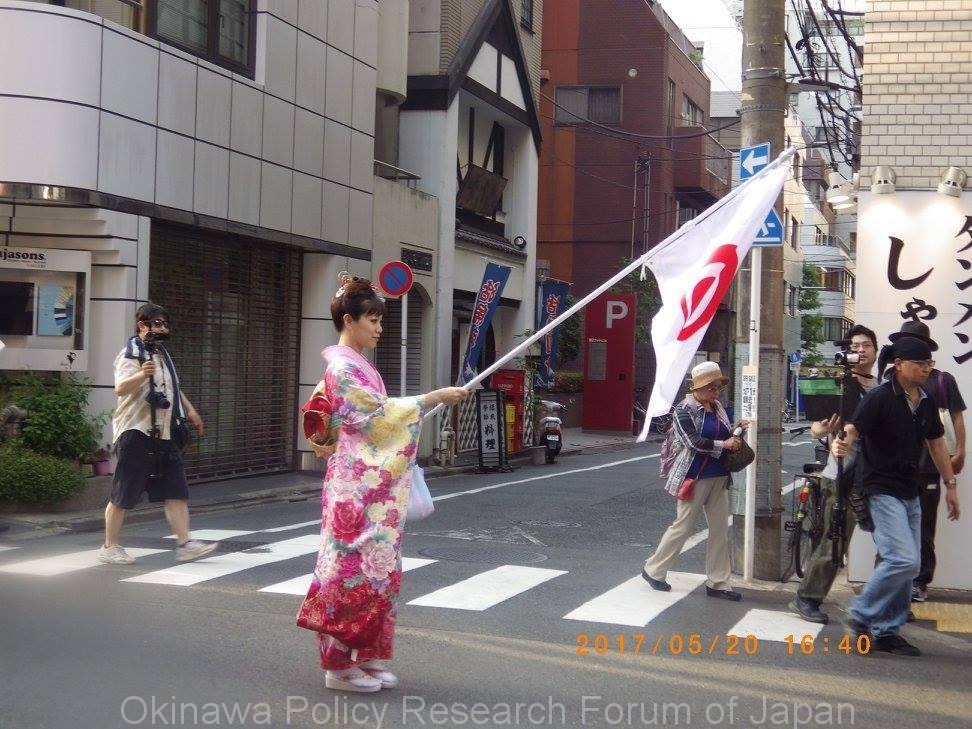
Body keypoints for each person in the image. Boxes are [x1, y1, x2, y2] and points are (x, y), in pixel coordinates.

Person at [298, 276, 469, 693]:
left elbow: (369, 418)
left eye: (379, 320)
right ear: (349, 320)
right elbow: (376, 418)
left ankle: (366, 652)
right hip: (355, 491)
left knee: (379, 569)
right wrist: (431, 399)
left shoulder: (356, 365)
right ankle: (338, 665)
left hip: (367, 487)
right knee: (350, 569)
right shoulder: (343, 368)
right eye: (372, 320)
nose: (378, 328)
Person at [834, 335, 961, 656]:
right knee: (901, 558)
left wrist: (950, 485)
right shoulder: (880, 397)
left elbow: (936, 444)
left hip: (909, 489)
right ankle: (861, 613)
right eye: (920, 363)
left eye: (929, 363)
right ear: (900, 364)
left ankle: (887, 631)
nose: (926, 369)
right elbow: (854, 428)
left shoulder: (926, 401)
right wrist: (842, 443)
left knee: (911, 564)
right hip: (879, 488)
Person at [99, 304, 214, 565]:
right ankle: (109, 546)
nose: (163, 328)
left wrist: (190, 410)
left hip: (164, 431)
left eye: (165, 323)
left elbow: (172, 387)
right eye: (158, 323)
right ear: (143, 325)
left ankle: (185, 544)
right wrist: (142, 374)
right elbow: (120, 388)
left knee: (176, 489)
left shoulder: (161, 354)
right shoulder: (130, 354)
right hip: (136, 430)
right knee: (123, 492)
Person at [790, 324, 877, 624]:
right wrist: (824, 430)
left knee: (891, 540)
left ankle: (889, 598)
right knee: (834, 541)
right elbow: (817, 427)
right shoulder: (838, 383)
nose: (860, 351)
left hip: (876, 475)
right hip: (842, 476)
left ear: (876, 350)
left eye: (866, 345)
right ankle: (807, 598)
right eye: (855, 346)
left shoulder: (881, 388)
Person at [642, 361, 748, 601]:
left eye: (718, 387)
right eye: (712, 387)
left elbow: (724, 434)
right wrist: (724, 444)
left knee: (720, 529)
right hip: (694, 476)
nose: (716, 392)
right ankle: (653, 569)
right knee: (683, 526)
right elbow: (693, 442)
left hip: (719, 475)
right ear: (698, 387)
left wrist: (737, 431)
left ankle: (718, 582)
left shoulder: (717, 407)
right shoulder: (683, 410)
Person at [885, 321, 966, 603]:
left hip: (928, 468)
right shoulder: (889, 381)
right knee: (892, 530)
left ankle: (920, 581)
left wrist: (961, 451)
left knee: (924, 528)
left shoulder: (941, 380)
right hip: (895, 470)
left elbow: (956, 417)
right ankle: (892, 585)